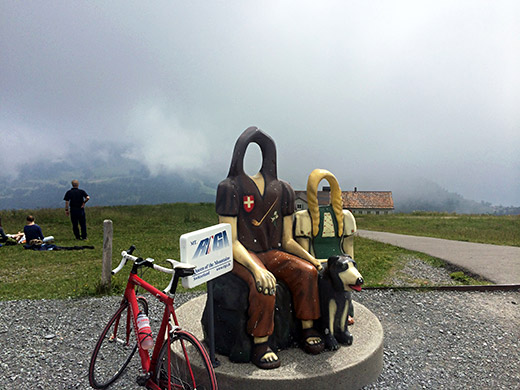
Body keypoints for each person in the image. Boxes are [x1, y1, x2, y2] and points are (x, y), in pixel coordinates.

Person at [216, 127, 324, 370]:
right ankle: (260, 341)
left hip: (271, 251)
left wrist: (311, 259)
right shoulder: (229, 188)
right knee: (263, 283)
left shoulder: (283, 189)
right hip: (241, 254)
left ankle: (308, 326)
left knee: (307, 272)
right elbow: (230, 240)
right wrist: (256, 269)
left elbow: (287, 240)